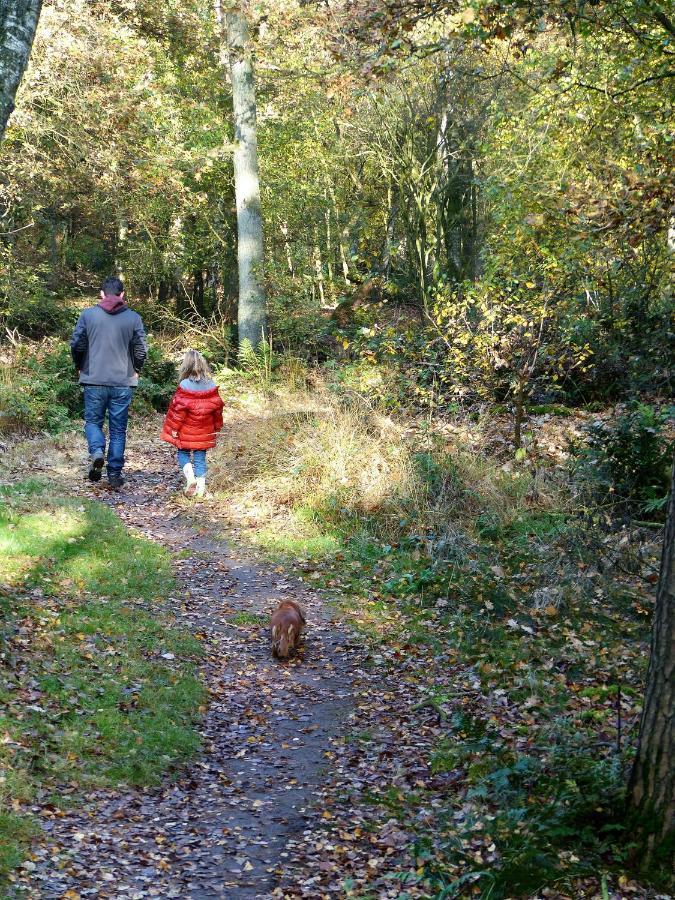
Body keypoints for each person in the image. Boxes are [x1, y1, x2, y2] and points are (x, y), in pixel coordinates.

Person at [70, 276, 147, 489]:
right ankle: (114, 474)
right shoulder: (133, 318)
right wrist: (137, 369)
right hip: (123, 381)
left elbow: (77, 344)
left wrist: (79, 365)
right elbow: (140, 349)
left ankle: (96, 451)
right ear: (122, 295)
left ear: (102, 294)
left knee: (93, 422)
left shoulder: (88, 315)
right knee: (118, 430)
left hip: (93, 379)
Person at [160, 350, 224, 497]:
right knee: (200, 458)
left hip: (185, 430)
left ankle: (190, 479)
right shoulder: (211, 385)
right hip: (205, 430)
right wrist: (217, 427)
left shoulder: (184, 385)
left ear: (185, 366)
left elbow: (178, 412)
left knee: (183, 453)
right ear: (203, 365)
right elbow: (217, 410)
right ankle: (200, 489)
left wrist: (174, 429)